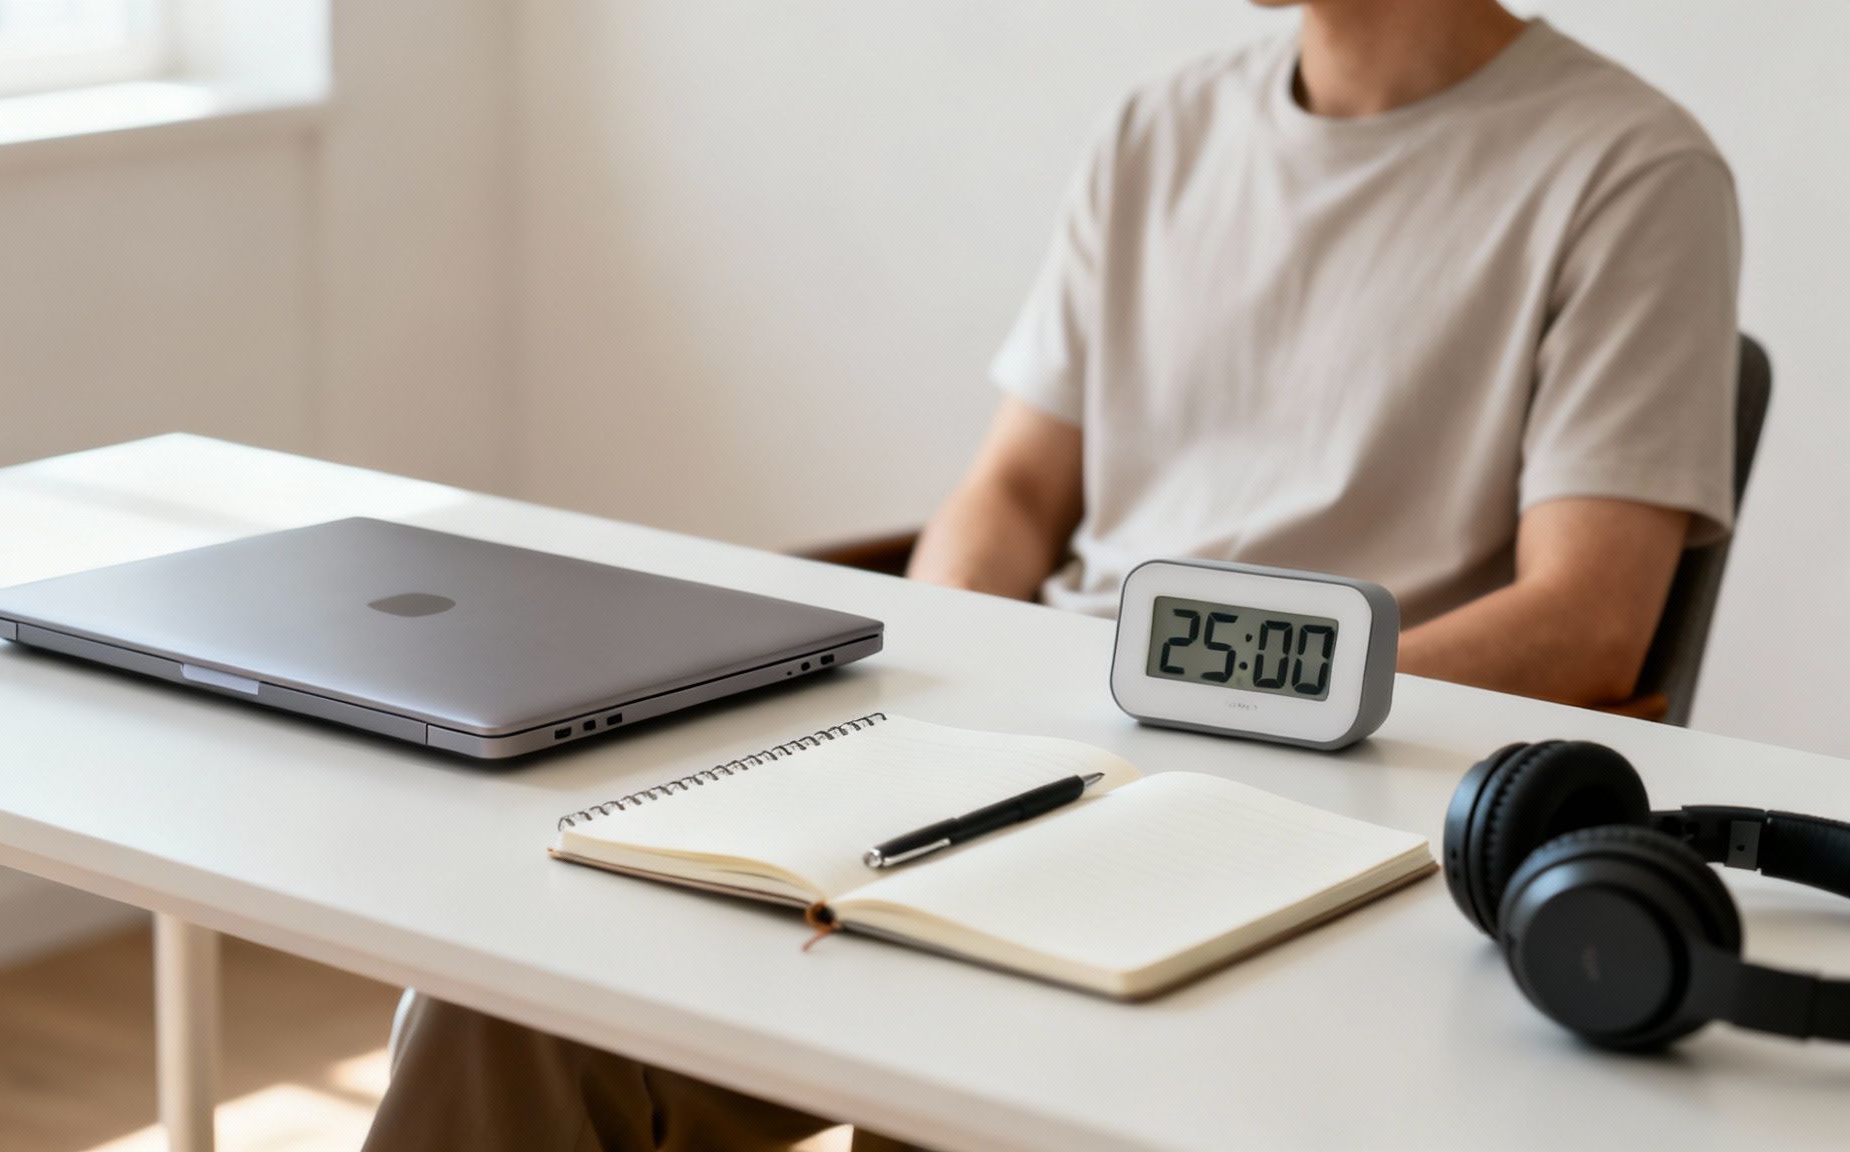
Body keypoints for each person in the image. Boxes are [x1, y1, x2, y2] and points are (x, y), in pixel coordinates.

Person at [363, 1, 1739, 1148]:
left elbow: (1588, 624)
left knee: (976, 1073)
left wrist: (1198, 712)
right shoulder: (1161, 132)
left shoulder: (1630, 169)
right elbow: (1015, 493)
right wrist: (942, 691)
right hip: (1032, 761)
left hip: (1316, 803)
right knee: (504, 1005)